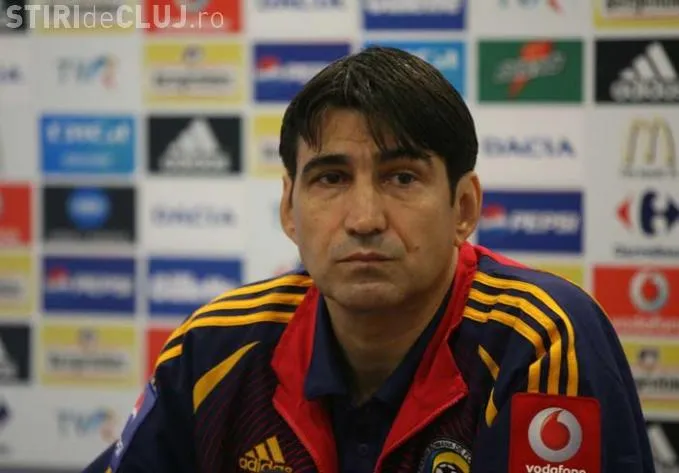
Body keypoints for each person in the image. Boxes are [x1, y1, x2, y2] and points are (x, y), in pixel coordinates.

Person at [82, 47, 655, 473]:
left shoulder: (539, 340)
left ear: (463, 207)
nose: (364, 218)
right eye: (331, 178)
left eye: (401, 178)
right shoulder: (215, 347)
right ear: (289, 209)